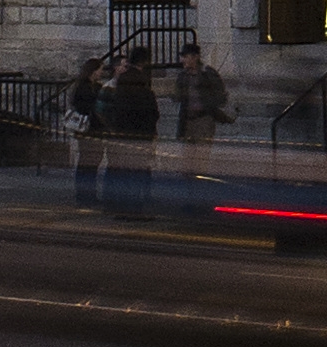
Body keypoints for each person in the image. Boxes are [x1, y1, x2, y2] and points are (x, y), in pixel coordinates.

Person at [172, 42, 229, 212]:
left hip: (204, 119)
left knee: (201, 162)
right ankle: (191, 198)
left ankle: (201, 200)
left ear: (195, 57)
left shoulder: (207, 74)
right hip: (188, 120)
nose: (183, 60)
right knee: (188, 163)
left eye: (186, 56)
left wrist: (209, 102)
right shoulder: (183, 76)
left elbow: (220, 96)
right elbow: (178, 96)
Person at [103, 49, 159, 217]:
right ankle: (134, 209)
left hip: (123, 132)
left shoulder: (123, 81)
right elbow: (149, 109)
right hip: (138, 132)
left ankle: (121, 207)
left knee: (124, 172)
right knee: (136, 173)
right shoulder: (141, 81)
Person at [66, 48, 108, 204]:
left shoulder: (87, 86)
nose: (101, 73)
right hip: (89, 128)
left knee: (89, 163)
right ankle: (85, 195)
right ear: (93, 71)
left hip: (89, 129)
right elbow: (87, 107)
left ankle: (86, 195)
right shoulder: (85, 87)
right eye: (100, 70)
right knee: (88, 163)